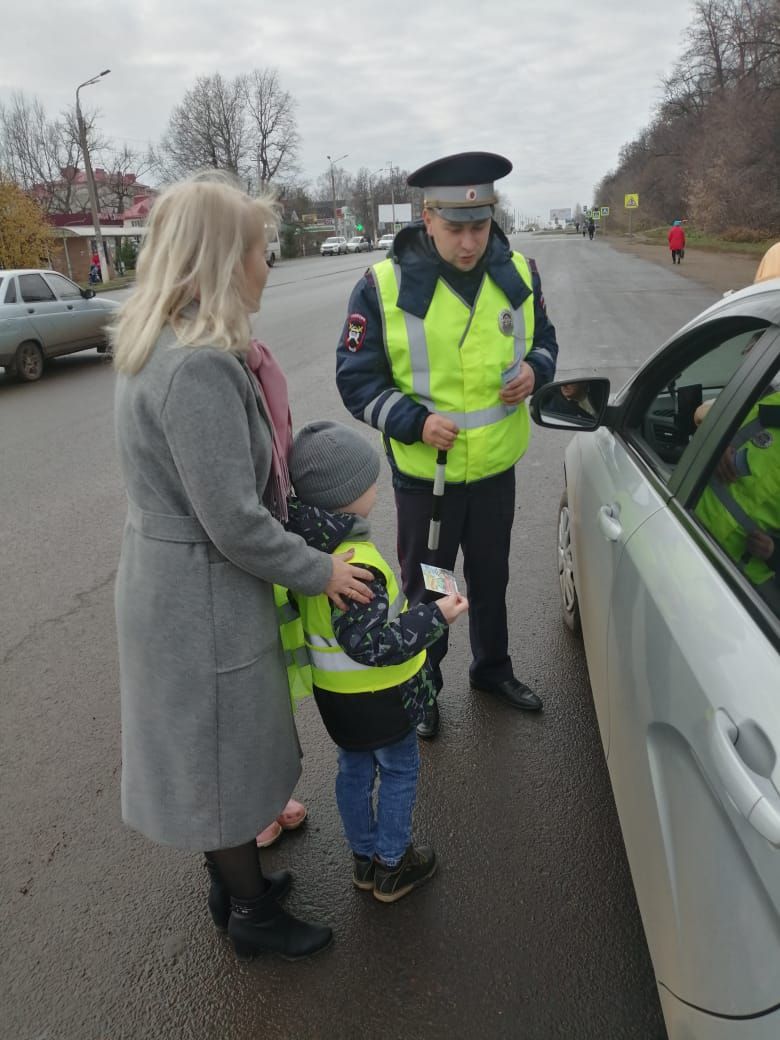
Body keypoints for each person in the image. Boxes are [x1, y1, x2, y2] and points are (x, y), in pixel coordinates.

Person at [112, 172, 376, 962]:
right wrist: (320, 571)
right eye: (263, 250)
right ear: (226, 259)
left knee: (210, 750)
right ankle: (251, 913)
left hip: (180, 582)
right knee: (223, 756)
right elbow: (232, 520)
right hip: (202, 594)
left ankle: (235, 885)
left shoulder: (162, 342)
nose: (270, 264)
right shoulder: (196, 366)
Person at [336, 151, 559, 740]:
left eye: (479, 227)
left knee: (490, 578)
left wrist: (536, 371)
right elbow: (356, 381)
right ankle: (425, 682)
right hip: (425, 479)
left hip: (492, 472)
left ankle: (492, 670)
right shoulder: (382, 287)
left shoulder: (518, 274)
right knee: (431, 586)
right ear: (426, 217)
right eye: (456, 229)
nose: (468, 243)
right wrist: (412, 421)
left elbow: (546, 343)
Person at [286, 420, 469, 901]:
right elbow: (371, 643)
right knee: (400, 770)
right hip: (382, 699)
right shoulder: (356, 562)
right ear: (348, 495)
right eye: (371, 482)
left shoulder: (307, 550)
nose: (377, 489)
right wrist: (437, 617)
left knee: (352, 770)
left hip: (337, 700)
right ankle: (392, 863)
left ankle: (364, 858)